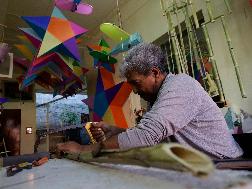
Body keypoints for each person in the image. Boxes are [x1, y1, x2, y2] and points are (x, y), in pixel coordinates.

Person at [57, 43, 243, 159]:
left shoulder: (180, 86)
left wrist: (82, 149)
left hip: (224, 165)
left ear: (154, 73)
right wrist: (118, 130)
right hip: (199, 164)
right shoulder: (157, 97)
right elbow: (155, 136)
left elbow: (147, 136)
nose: (135, 91)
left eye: (136, 83)